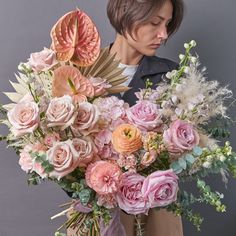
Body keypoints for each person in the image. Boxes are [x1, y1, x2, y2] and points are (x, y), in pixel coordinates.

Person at [106, 0, 185, 235]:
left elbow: (182, 151)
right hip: (98, 209)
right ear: (125, 14)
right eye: (154, 22)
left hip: (155, 212)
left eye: (168, 24)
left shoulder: (172, 76)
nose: (163, 34)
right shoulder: (82, 72)